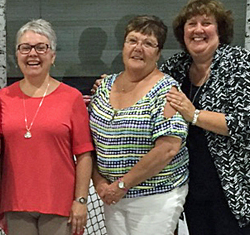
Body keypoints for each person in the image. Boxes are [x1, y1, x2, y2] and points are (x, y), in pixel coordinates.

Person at [162, 0, 250, 234]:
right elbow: (147, 86)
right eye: (191, 23)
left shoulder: (238, 62)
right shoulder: (176, 66)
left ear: (220, 30)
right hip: (194, 188)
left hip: (237, 189)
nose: (198, 30)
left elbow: (246, 122)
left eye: (206, 23)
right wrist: (115, 85)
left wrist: (193, 114)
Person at [88, 15, 189, 235]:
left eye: (148, 43)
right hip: (112, 197)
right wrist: (100, 183)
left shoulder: (167, 91)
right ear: (123, 46)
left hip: (156, 198)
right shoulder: (104, 86)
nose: (138, 48)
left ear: (158, 53)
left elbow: (168, 148)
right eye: (132, 41)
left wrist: (122, 185)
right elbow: (91, 142)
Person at [0, 19, 93, 235]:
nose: (33, 54)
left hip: (59, 204)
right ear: (16, 55)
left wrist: (80, 200)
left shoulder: (72, 98)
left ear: (53, 56)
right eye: (25, 48)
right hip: (15, 202)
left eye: (41, 47)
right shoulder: (3, 97)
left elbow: (84, 154)